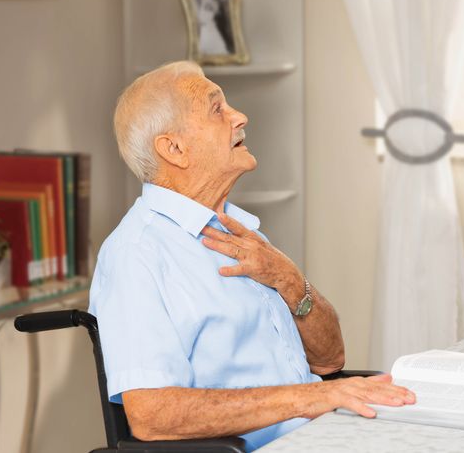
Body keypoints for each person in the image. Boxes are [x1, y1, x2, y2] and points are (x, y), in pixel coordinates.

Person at [90, 61, 414, 449]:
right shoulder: (136, 253)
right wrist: (307, 398)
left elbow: (330, 361)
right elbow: (152, 415)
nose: (240, 117)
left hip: (323, 436)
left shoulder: (240, 232)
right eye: (217, 109)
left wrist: (291, 281)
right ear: (174, 148)